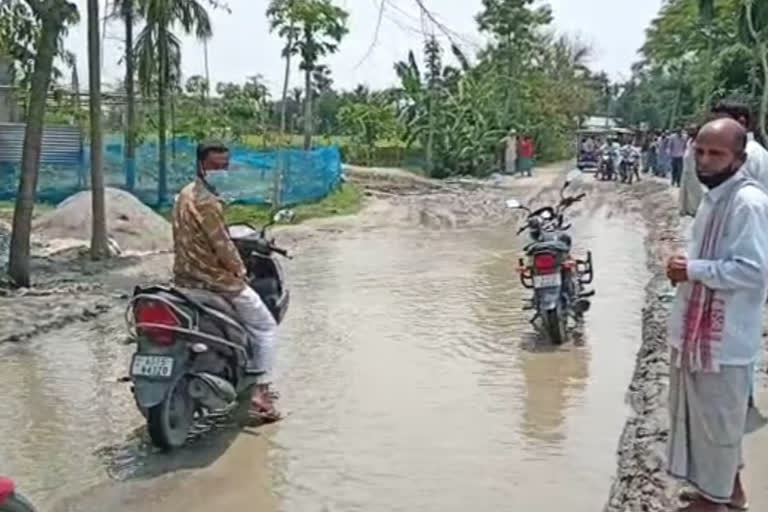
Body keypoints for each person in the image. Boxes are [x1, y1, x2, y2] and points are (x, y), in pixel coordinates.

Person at [665, 118, 768, 512]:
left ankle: (714, 501)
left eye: (716, 154)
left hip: (725, 339)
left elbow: (752, 270)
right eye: (700, 152)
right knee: (710, 422)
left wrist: (691, 270)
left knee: (719, 423)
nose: (705, 161)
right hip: (699, 334)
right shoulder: (715, 197)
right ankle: (729, 490)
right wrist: (686, 263)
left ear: (739, 158)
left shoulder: (748, 203)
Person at [172, 141, 281, 422]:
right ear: (201, 164)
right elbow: (222, 244)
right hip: (213, 279)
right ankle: (260, 392)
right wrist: (240, 269)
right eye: (216, 165)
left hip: (184, 277)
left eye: (225, 165)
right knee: (265, 326)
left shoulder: (184, 195)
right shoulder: (207, 202)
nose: (222, 170)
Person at [712, 101, 768, 190]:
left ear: (741, 122)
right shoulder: (755, 150)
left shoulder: (747, 154)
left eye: (722, 123)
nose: (716, 128)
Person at [679, 124, 704, 217]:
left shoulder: (700, 142)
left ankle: (695, 209)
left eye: (692, 130)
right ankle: (686, 208)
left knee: (695, 189)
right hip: (686, 167)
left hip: (694, 167)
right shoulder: (689, 141)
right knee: (685, 187)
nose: (690, 131)